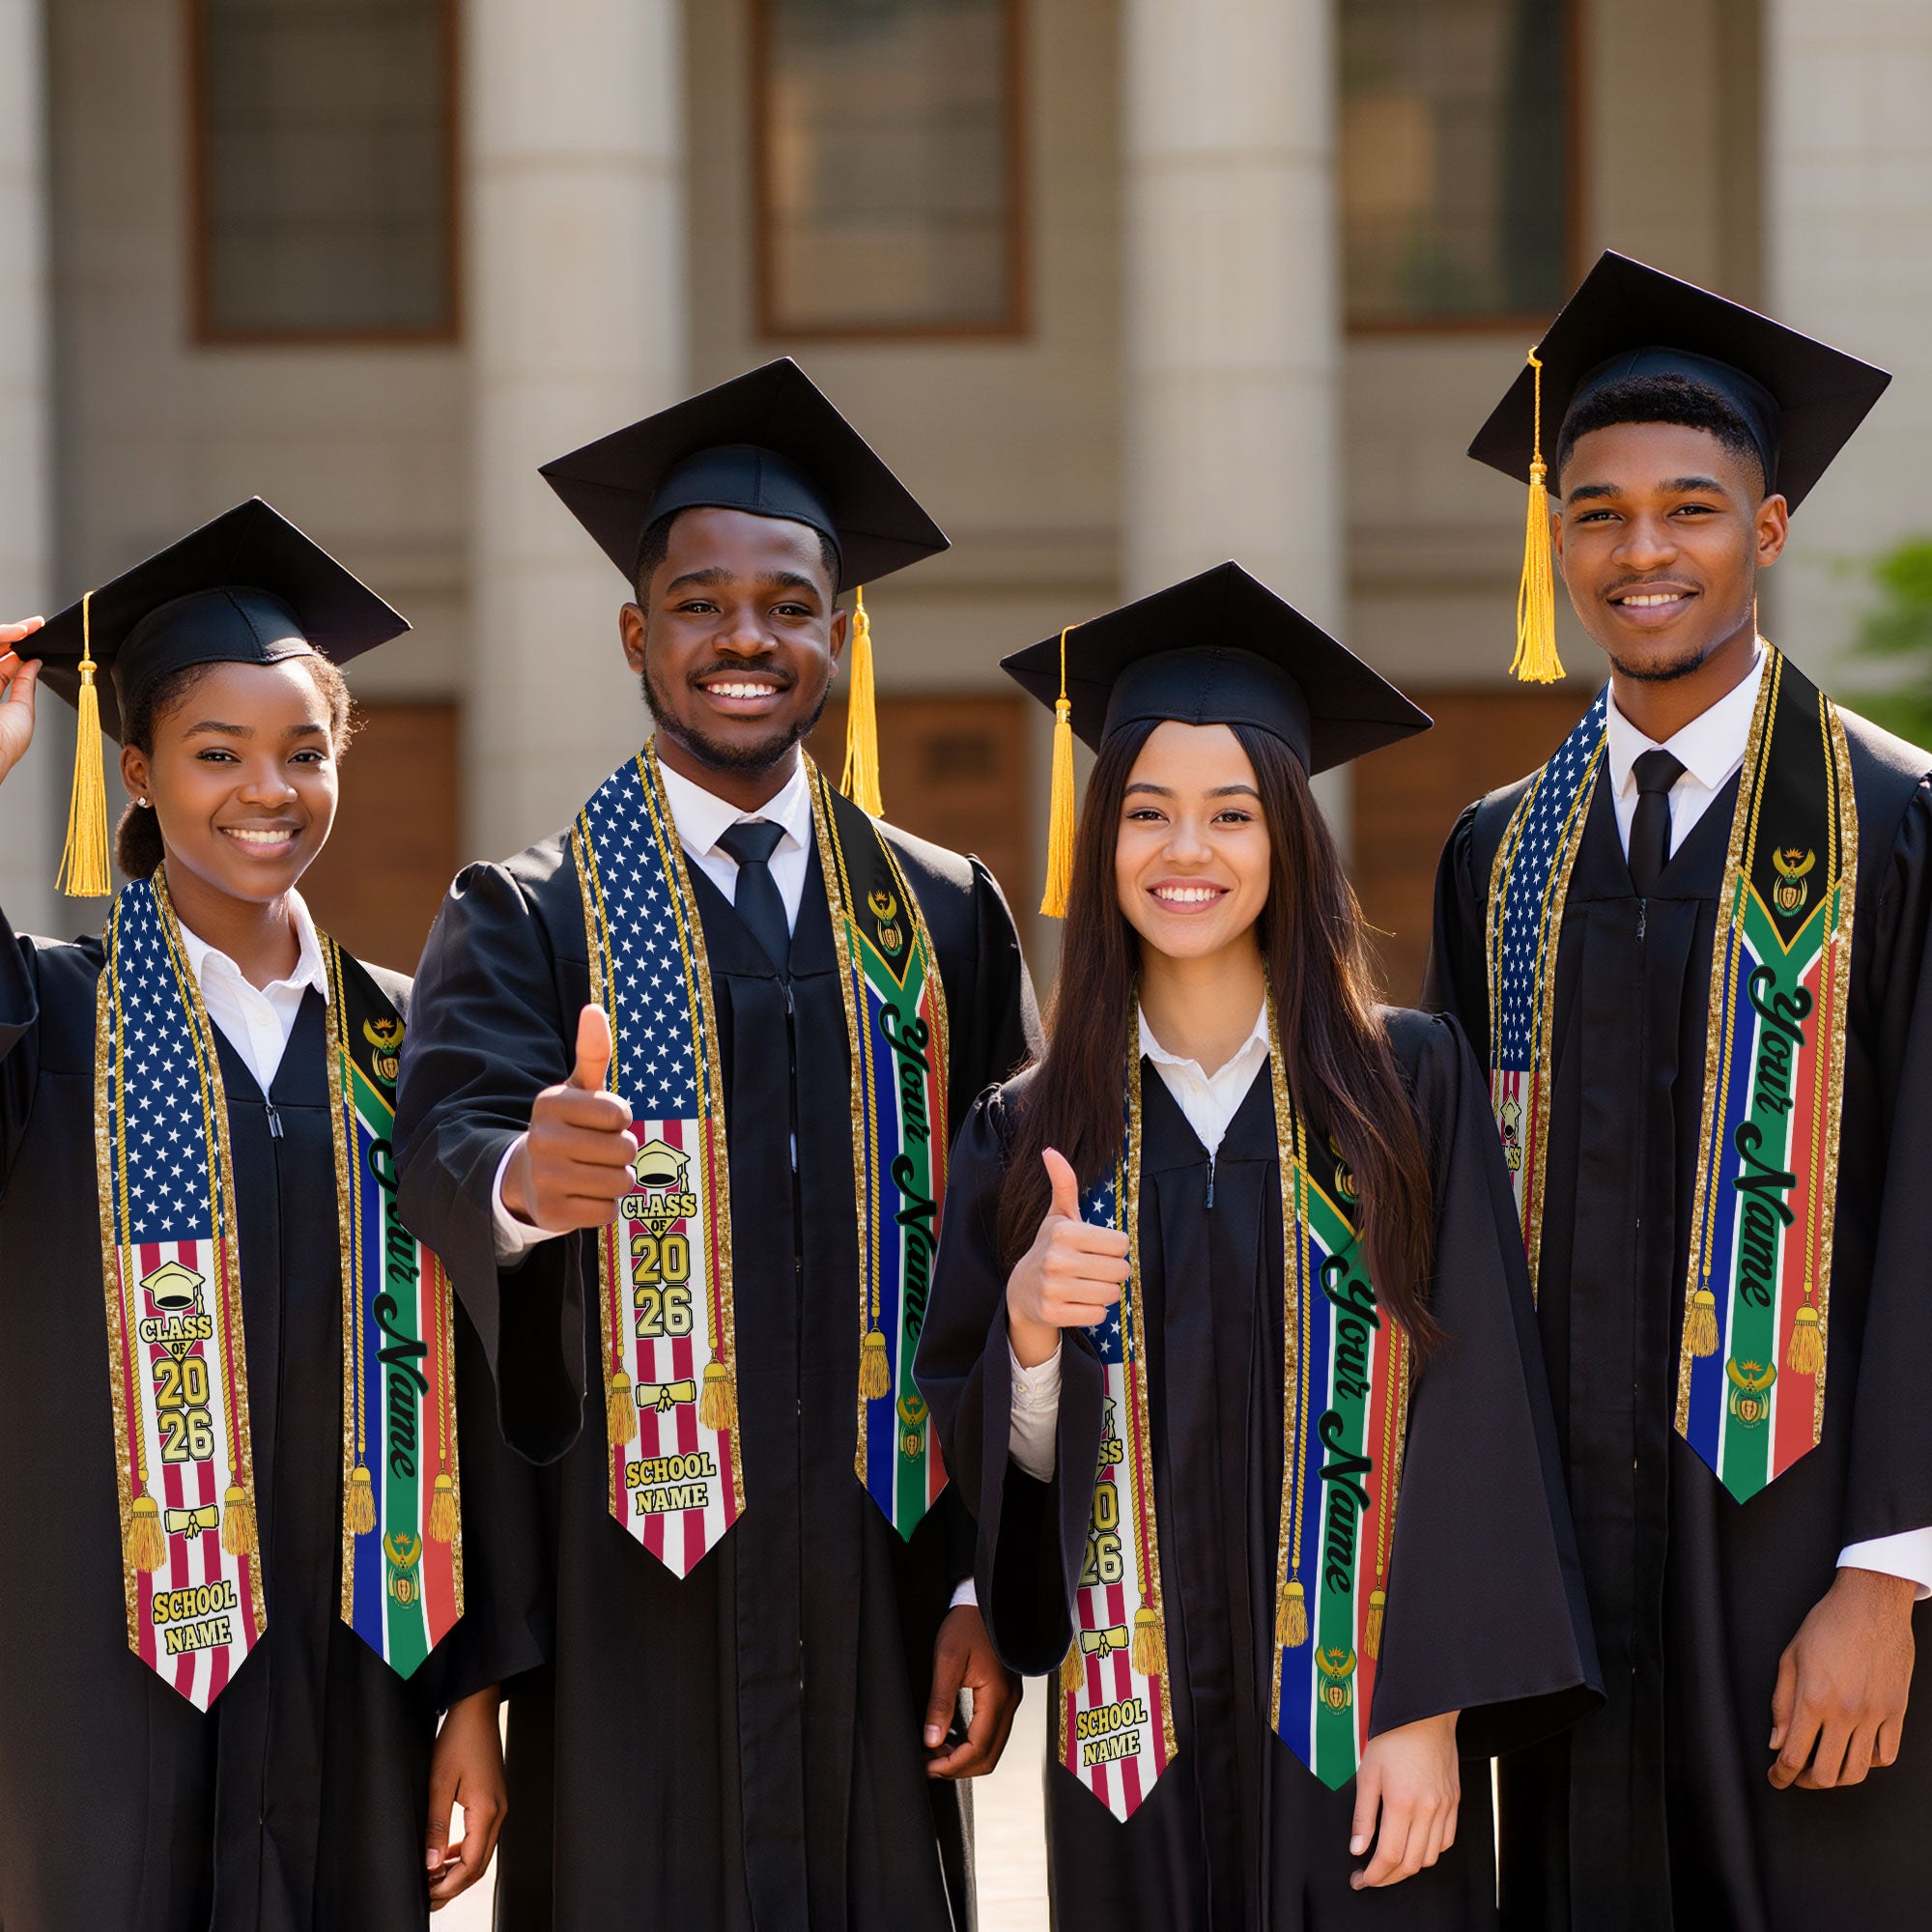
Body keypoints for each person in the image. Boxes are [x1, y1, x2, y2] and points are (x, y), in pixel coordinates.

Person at [392, 358, 1039, 1927]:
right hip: (629, 1606)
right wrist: (522, 1183)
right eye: (698, 605)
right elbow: (443, 1146)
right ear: (638, 635)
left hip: (883, 1586)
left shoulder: (941, 918)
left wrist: (981, 1583)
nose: (745, 638)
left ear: (841, 635)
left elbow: (1011, 1253)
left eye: (788, 605)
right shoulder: (530, 915)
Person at [917, 562, 1599, 1930]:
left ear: (1288, 837)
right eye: (1148, 812)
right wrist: (1031, 1339)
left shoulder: (1409, 1089)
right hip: (1131, 1749)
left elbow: (1481, 1404)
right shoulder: (1030, 1130)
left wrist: (1429, 1709)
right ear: (1100, 841)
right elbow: (1000, 1488)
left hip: (1363, 1738)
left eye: (1231, 813)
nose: (1188, 852)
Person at [1427, 250, 1932, 1931]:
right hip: (1566, 1576)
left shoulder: (1897, 828)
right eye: (1599, 513)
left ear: (1767, 531)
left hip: (1807, 1557)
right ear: (1557, 542)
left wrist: (1889, 1574)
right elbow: (1452, 1235)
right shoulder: (1502, 854)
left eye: (1691, 509)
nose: (1642, 550)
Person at [0, 498, 546, 1931]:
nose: (268, 790)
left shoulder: (412, 1046)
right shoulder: (49, 1021)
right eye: (216, 753)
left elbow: (480, 1379)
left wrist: (474, 1697)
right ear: (135, 772)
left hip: (358, 1667)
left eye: (305, 752)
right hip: (95, 1683)